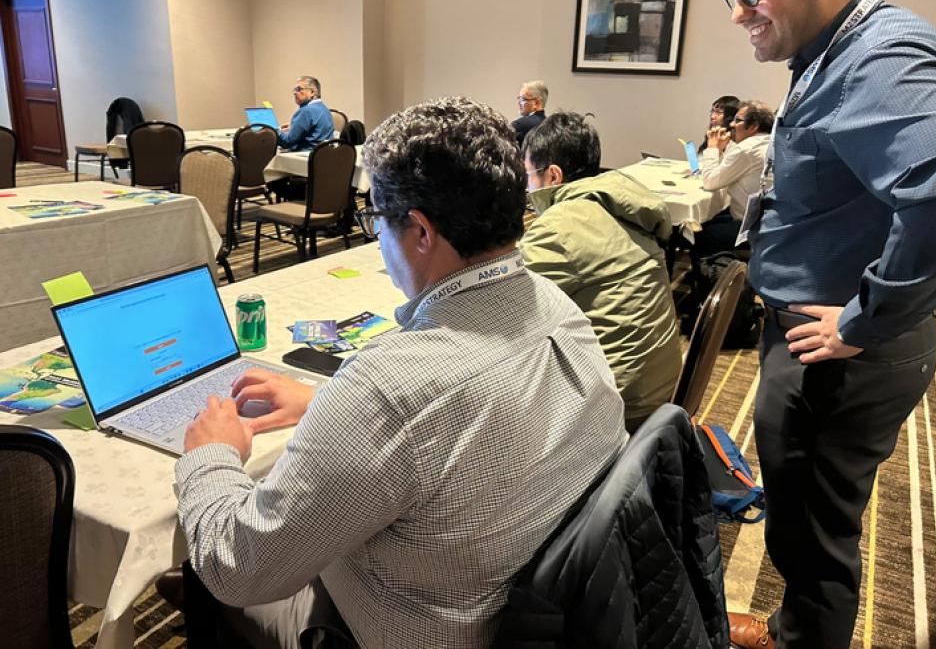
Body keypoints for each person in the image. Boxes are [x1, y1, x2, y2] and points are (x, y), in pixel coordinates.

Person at [173, 96, 627, 648]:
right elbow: (455, 432)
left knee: (202, 567)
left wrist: (210, 455)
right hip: (547, 618)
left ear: (419, 231)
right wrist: (328, 406)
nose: (376, 239)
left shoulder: (385, 389)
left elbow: (236, 568)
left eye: (375, 220)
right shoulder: (560, 310)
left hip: (403, 630)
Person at [724, 0, 936, 647]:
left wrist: (862, 319)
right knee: (807, 518)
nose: (740, 13)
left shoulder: (877, 58)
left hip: (838, 352)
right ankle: (798, 623)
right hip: (833, 337)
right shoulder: (836, 50)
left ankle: (805, 635)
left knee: (814, 533)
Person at [519, 111, 681, 432]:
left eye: (527, 175)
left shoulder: (560, 226)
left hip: (620, 407)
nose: (526, 186)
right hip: (662, 388)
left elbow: (503, 306)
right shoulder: (623, 204)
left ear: (552, 176)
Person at [692, 100, 773, 259]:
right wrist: (721, 150)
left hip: (750, 227)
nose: (732, 125)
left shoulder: (747, 148)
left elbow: (710, 181)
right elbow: (726, 172)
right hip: (768, 221)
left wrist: (713, 147)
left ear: (753, 126)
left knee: (696, 234)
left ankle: (710, 278)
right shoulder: (768, 142)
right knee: (711, 218)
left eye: (738, 120)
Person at [277, 76, 334, 151]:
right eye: (295, 90)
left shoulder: (306, 111)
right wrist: (293, 128)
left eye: (299, 89)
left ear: (312, 92)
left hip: (303, 157)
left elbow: (287, 142)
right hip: (322, 156)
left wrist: (274, 130)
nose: (294, 93)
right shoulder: (324, 109)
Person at [511, 80, 547, 145]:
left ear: (536, 103)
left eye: (522, 99)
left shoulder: (520, 125)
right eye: (519, 98)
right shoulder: (550, 126)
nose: (519, 102)